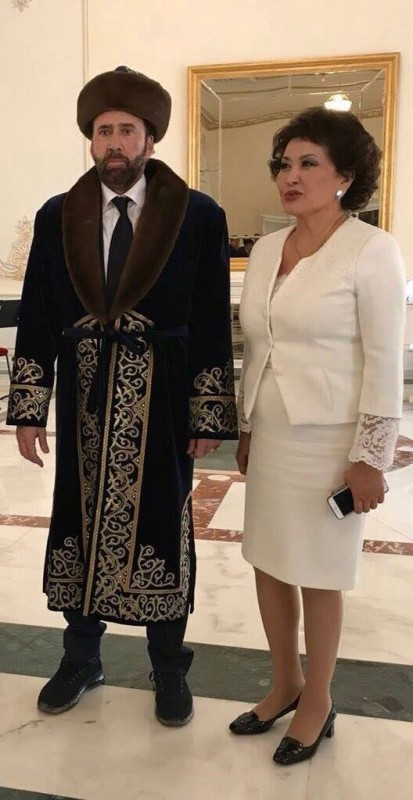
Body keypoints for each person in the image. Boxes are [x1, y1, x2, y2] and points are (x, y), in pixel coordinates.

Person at [7, 66, 237, 727]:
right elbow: (39, 311)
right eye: (104, 130)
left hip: (162, 397)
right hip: (84, 395)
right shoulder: (59, 215)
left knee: (163, 523)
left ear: (149, 139)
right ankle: (81, 657)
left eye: (126, 131)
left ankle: (168, 666)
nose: (114, 142)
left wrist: (207, 409)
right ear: (91, 139)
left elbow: (210, 317)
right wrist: (29, 406)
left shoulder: (197, 215)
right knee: (77, 523)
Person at [229, 107, 405, 765]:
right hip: (273, 432)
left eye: (308, 164)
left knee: (318, 572)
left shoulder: (371, 249)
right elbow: (259, 345)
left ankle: (318, 699)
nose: (290, 177)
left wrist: (369, 457)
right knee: (268, 559)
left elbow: (384, 359)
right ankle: (285, 682)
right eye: (283, 164)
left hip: (331, 441)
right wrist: (247, 426)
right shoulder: (266, 249)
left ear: (345, 177)